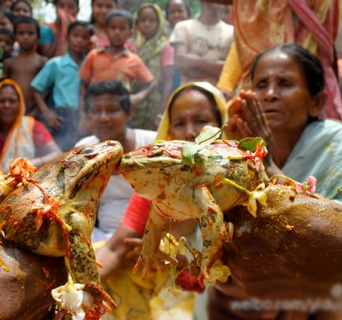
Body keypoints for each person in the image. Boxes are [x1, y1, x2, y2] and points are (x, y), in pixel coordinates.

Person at [96, 81, 228, 320]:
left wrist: (177, 260)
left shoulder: (237, 184)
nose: (190, 132)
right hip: (165, 289)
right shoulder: (157, 184)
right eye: (179, 123)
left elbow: (243, 272)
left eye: (201, 120)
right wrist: (68, 285)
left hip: (221, 294)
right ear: (169, 133)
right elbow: (115, 249)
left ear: (221, 126)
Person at [225, 43, 342, 216]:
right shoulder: (240, 145)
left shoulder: (336, 141)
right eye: (261, 84)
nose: (270, 94)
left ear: (316, 103)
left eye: (285, 83)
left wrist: (266, 165)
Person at [217, 0, 342, 122]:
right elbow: (244, 42)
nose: (271, 94)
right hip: (252, 95)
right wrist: (225, 85)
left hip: (303, 96)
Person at [75, 80, 156, 241]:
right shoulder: (84, 150)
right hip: (100, 240)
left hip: (148, 240)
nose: (103, 118)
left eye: (112, 110)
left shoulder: (152, 144)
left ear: (129, 113)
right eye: (96, 111)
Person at [78, 10, 157, 132]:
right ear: (106, 30)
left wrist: (139, 97)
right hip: (96, 113)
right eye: (113, 28)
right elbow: (83, 85)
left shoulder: (133, 60)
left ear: (130, 33)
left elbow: (153, 83)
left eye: (122, 28)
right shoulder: (94, 55)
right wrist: (83, 115)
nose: (117, 32)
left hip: (120, 114)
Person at [31, 21, 91, 151]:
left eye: (84, 37)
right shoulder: (56, 64)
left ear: (89, 41)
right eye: (76, 36)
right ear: (67, 37)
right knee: (62, 155)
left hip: (85, 116)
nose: (79, 40)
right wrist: (46, 112)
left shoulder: (91, 65)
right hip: (62, 117)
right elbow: (36, 88)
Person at [170, 0, 233, 85]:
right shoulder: (183, 27)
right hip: (189, 92)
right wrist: (216, 67)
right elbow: (181, 62)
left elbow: (231, 69)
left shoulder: (232, 32)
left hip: (219, 94)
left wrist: (195, 63)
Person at [132, 3, 175, 130]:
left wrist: (161, 113)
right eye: (143, 20)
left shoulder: (165, 47)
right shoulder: (132, 47)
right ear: (137, 23)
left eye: (151, 20)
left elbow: (168, 82)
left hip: (155, 102)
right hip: (134, 100)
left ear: (159, 23)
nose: (146, 24)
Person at [4, 16, 46, 112]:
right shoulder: (9, 62)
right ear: (14, 37)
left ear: (38, 37)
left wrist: (36, 111)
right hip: (12, 110)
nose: (25, 37)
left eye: (30, 33)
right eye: (21, 33)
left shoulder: (42, 62)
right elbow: (5, 88)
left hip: (34, 112)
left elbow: (45, 91)